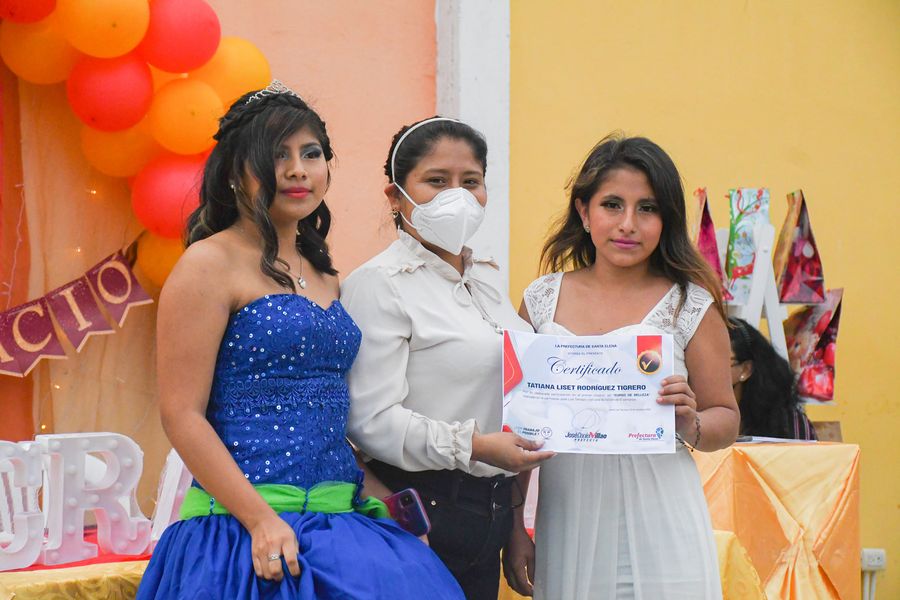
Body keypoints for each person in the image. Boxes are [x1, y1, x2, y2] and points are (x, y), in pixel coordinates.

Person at [137, 83, 463, 599]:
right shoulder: (208, 264)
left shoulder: (325, 274)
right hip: (243, 532)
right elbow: (181, 415)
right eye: (276, 155)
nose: (297, 170)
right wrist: (260, 521)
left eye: (311, 154)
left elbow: (325, 412)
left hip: (338, 522)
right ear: (234, 172)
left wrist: (388, 502)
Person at [517, 135, 740, 599]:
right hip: (568, 513)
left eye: (648, 208)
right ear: (584, 211)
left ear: (667, 219)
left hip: (663, 513)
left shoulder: (690, 305)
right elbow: (519, 423)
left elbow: (726, 417)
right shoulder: (540, 301)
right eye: (612, 205)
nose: (628, 224)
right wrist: (516, 524)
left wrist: (690, 421)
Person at [341, 117, 554, 599]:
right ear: (395, 196)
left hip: (490, 514)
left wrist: (514, 523)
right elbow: (370, 422)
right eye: (437, 181)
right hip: (418, 515)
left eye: (470, 181)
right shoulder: (379, 284)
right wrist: (474, 446)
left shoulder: (486, 280)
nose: (456, 196)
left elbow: (510, 402)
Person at [728, 317, 817, 440]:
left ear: (745, 370)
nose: (704, 370)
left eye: (716, 361)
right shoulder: (701, 416)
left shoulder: (787, 422)